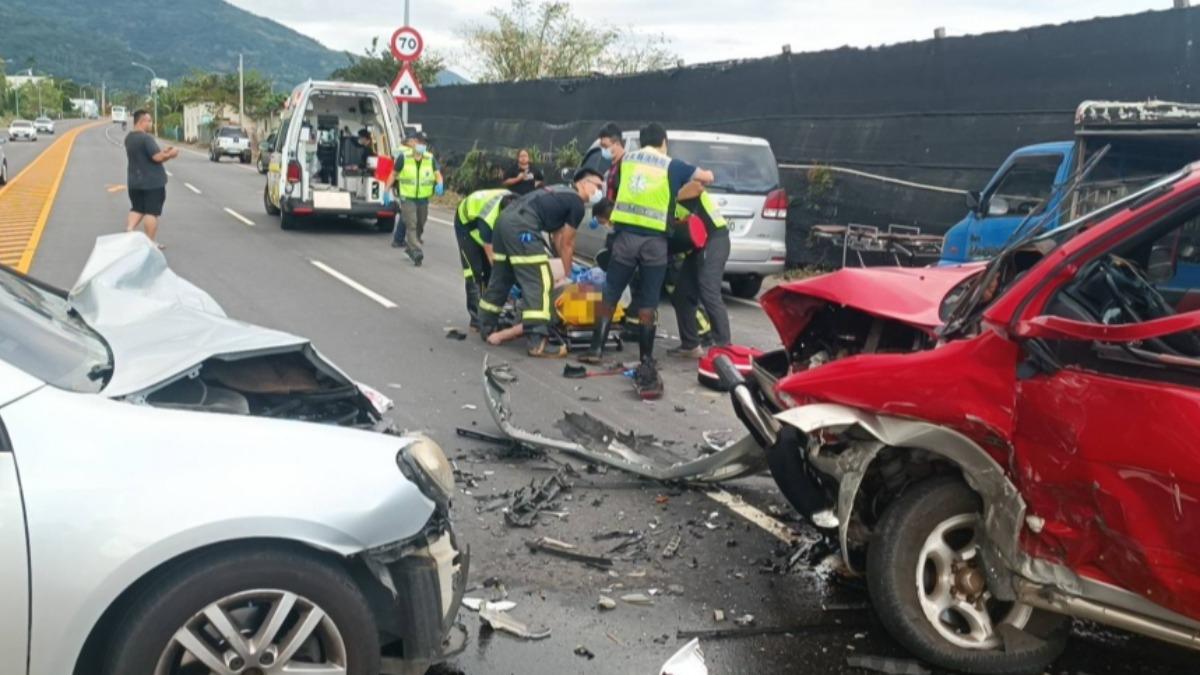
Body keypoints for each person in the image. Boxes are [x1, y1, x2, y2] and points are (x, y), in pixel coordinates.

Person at [580, 123, 714, 399]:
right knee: (649, 301)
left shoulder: (626, 160)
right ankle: (645, 358)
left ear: (640, 142)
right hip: (655, 243)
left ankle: (595, 349)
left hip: (625, 238)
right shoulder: (671, 164)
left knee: (611, 293)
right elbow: (705, 178)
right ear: (663, 141)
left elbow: (615, 193)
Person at [478, 169, 606, 357]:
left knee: (503, 275)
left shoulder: (561, 192)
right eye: (598, 186)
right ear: (584, 183)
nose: (600, 191)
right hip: (523, 226)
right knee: (539, 280)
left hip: (505, 220)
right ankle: (537, 341)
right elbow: (568, 243)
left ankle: (486, 325)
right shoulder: (576, 203)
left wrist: (561, 262)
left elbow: (557, 237)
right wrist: (567, 273)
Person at [667, 186, 732, 357]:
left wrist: (671, 196)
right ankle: (690, 345)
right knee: (681, 294)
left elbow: (698, 186)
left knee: (708, 290)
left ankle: (724, 348)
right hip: (696, 244)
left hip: (714, 239)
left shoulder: (680, 181)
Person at [455, 187, 516, 330]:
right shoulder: (488, 219)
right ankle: (477, 318)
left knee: (489, 273)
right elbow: (493, 258)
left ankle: (492, 311)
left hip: (482, 217)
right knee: (475, 272)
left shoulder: (517, 202)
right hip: (466, 227)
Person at [124, 109, 178, 248]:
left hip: (134, 182)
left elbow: (147, 154)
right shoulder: (146, 138)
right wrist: (171, 154)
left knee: (137, 208)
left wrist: (163, 152)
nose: (151, 123)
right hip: (152, 183)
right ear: (142, 121)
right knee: (151, 212)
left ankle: (129, 231)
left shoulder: (129, 138)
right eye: (149, 121)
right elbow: (156, 157)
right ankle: (150, 242)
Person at [389, 132, 442, 266]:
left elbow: (437, 174)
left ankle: (412, 244)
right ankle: (416, 250)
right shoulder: (403, 157)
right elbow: (393, 174)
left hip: (423, 198)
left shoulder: (429, 158)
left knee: (421, 223)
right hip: (407, 197)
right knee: (411, 223)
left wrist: (440, 184)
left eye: (424, 144)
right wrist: (385, 190)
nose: (422, 146)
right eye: (420, 143)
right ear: (412, 142)